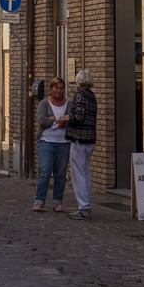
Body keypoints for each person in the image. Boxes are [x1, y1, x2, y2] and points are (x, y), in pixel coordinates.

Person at [33, 77, 71, 212]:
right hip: (46, 142)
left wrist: (61, 121)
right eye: (56, 88)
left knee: (60, 174)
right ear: (51, 88)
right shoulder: (44, 103)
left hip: (63, 143)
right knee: (45, 172)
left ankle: (57, 201)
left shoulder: (68, 104)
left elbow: (71, 119)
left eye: (61, 88)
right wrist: (59, 121)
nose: (59, 91)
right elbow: (42, 119)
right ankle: (39, 200)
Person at [66, 69, 97, 220]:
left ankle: (83, 207)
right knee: (85, 173)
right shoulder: (92, 96)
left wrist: (66, 118)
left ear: (78, 81)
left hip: (79, 138)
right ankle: (87, 206)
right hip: (90, 139)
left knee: (78, 174)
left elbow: (78, 116)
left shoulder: (79, 95)